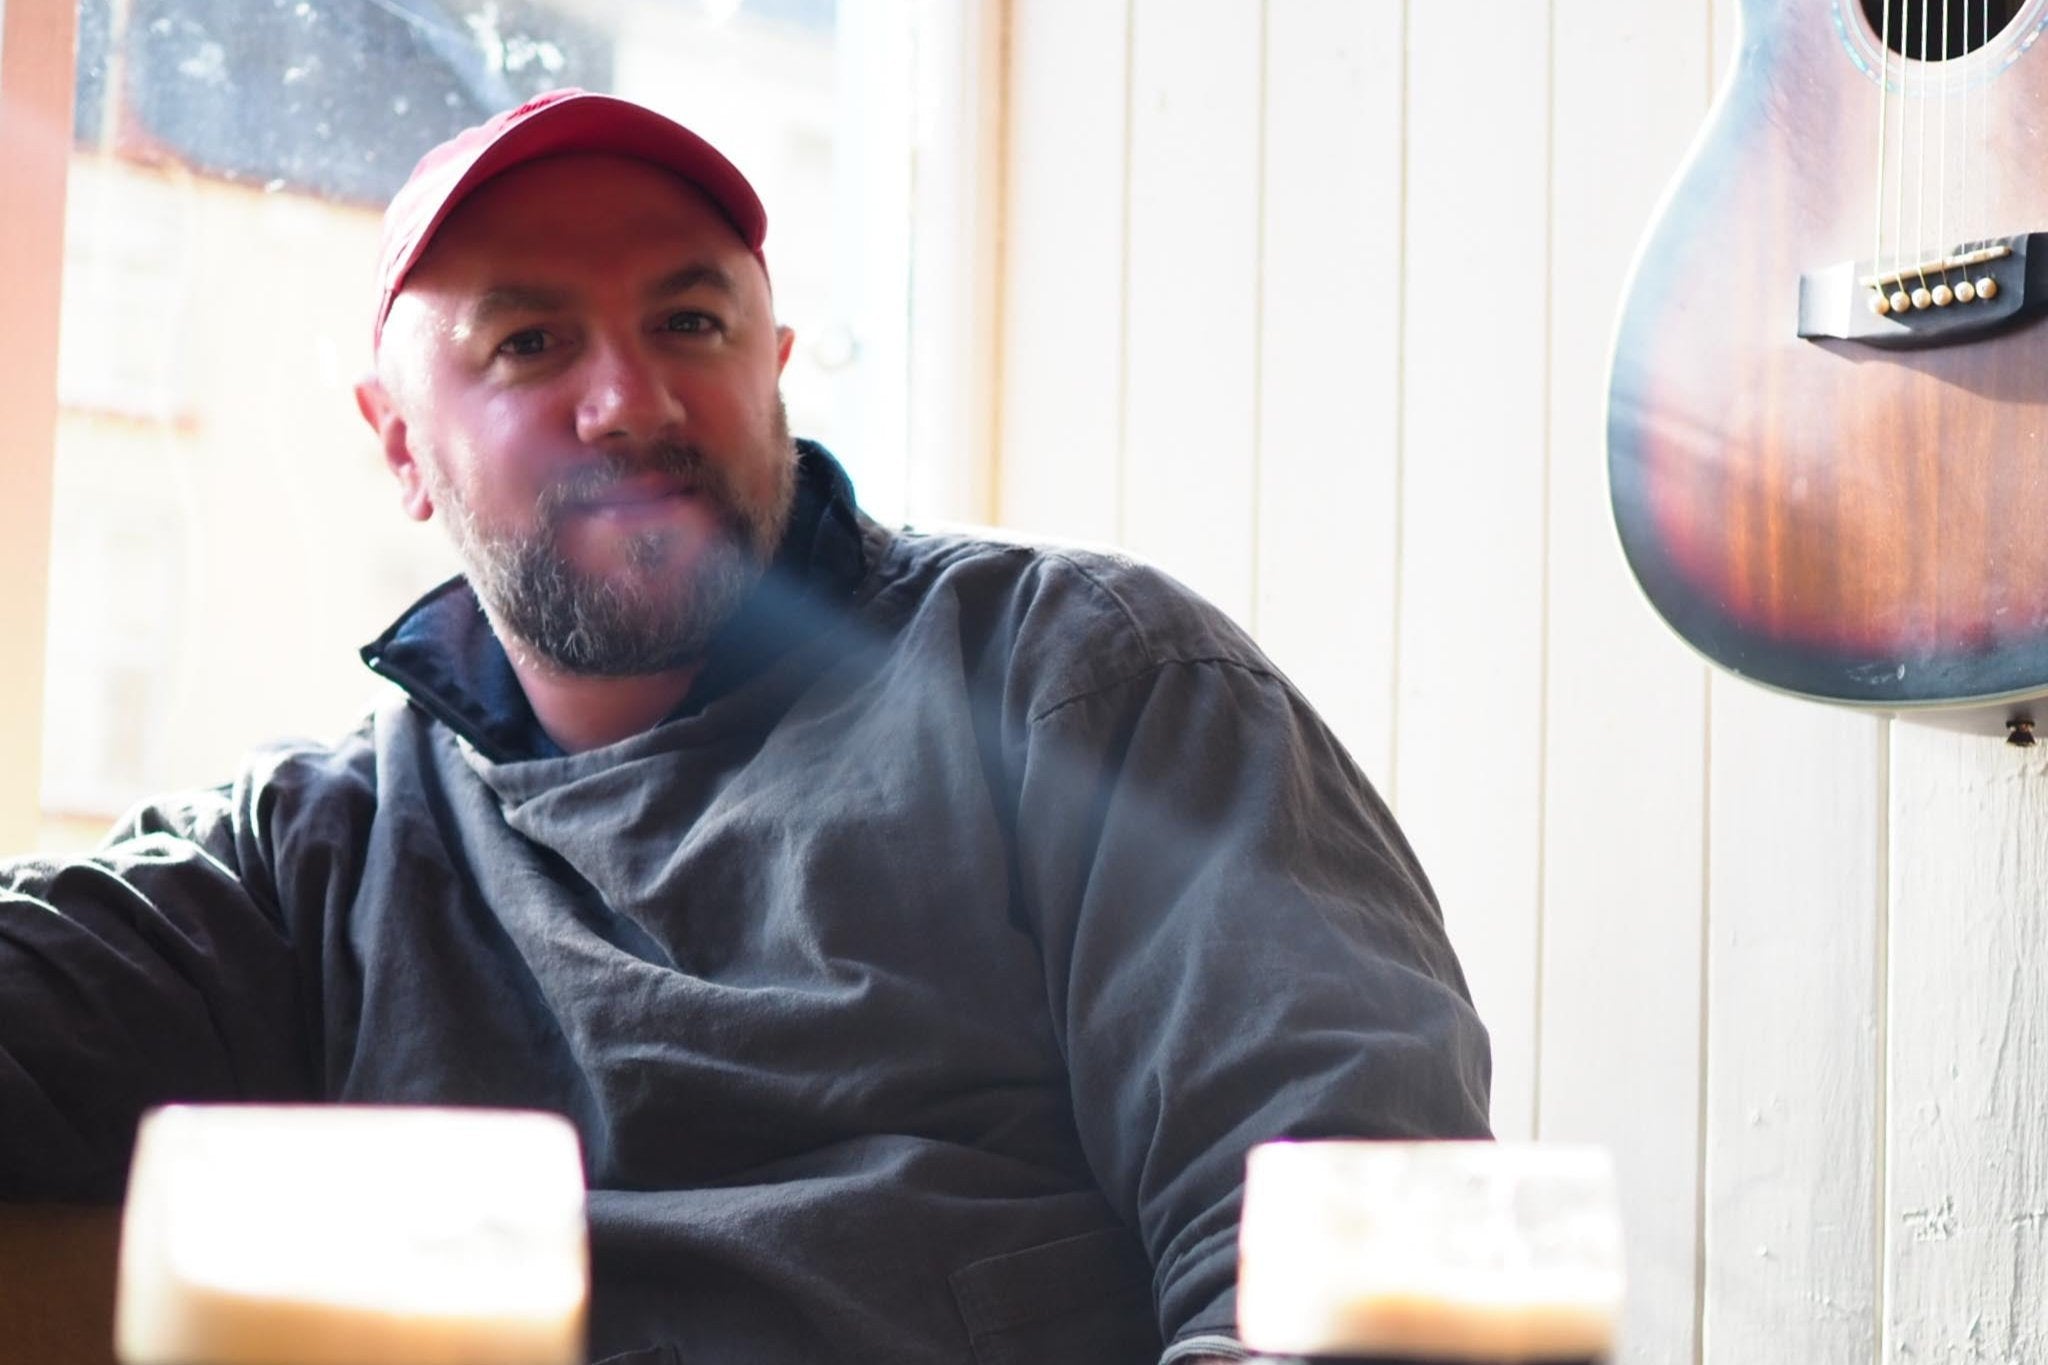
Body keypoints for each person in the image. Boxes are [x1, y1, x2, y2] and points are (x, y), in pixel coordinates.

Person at [0, 89, 1491, 1364]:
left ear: (772, 373)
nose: (630, 398)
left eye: (691, 319)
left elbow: (1351, 1234)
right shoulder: (310, 857)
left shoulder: (1088, 687)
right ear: (399, 446)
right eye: (529, 343)